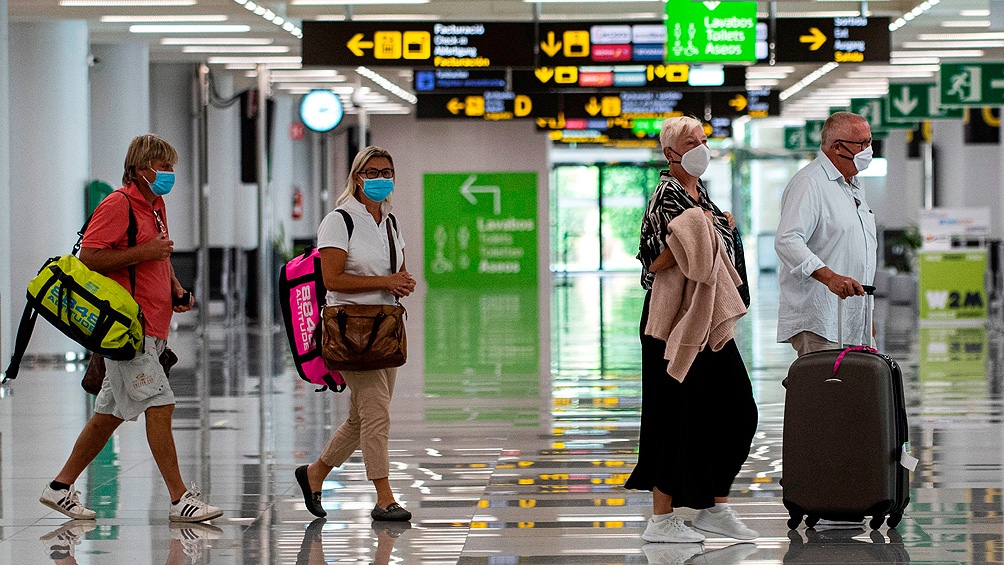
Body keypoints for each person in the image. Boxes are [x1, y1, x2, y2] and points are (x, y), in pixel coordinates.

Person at [39, 134, 223, 523]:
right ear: (142, 169)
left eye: (172, 166)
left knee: (108, 414)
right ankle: (179, 499)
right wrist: (145, 253)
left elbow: (160, 253)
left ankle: (59, 487)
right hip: (127, 329)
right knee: (161, 403)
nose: (170, 174)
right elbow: (89, 256)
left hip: (154, 324)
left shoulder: (155, 205)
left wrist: (175, 289)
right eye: (164, 167)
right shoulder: (118, 203)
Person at [625, 116, 759, 544]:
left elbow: (718, 245)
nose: (701, 146)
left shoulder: (701, 195)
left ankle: (713, 506)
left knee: (737, 411)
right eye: (690, 141)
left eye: (703, 139)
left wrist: (716, 227)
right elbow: (653, 261)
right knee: (673, 417)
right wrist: (694, 234)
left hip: (708, 317)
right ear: (670, 153)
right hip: (673, 321)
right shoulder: (665, 196)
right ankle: (661, 520)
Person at [295, 146, 416, 522]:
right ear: (357, 177)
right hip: (350, 329)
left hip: (385, 328)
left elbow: (398, 271)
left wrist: (402, 282)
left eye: (387, 172)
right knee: (377, 411)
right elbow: (332, 278)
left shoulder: (390, 221)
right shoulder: (339, 220)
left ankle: (315, 473)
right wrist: (386, 280)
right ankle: (384, 496)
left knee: (362, 418)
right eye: (373, 172)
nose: (381, 179)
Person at [775, 111, 877, 356]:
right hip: (821, 321)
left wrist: (867, 316)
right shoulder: (810, 183)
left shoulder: (852, 186)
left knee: (858, 392)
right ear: (837, 147)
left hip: (854, 319)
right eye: (861, 144)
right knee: (826, 392)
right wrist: (831, 278)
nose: (868, 150)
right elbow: (787, 240)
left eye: (869, 142)